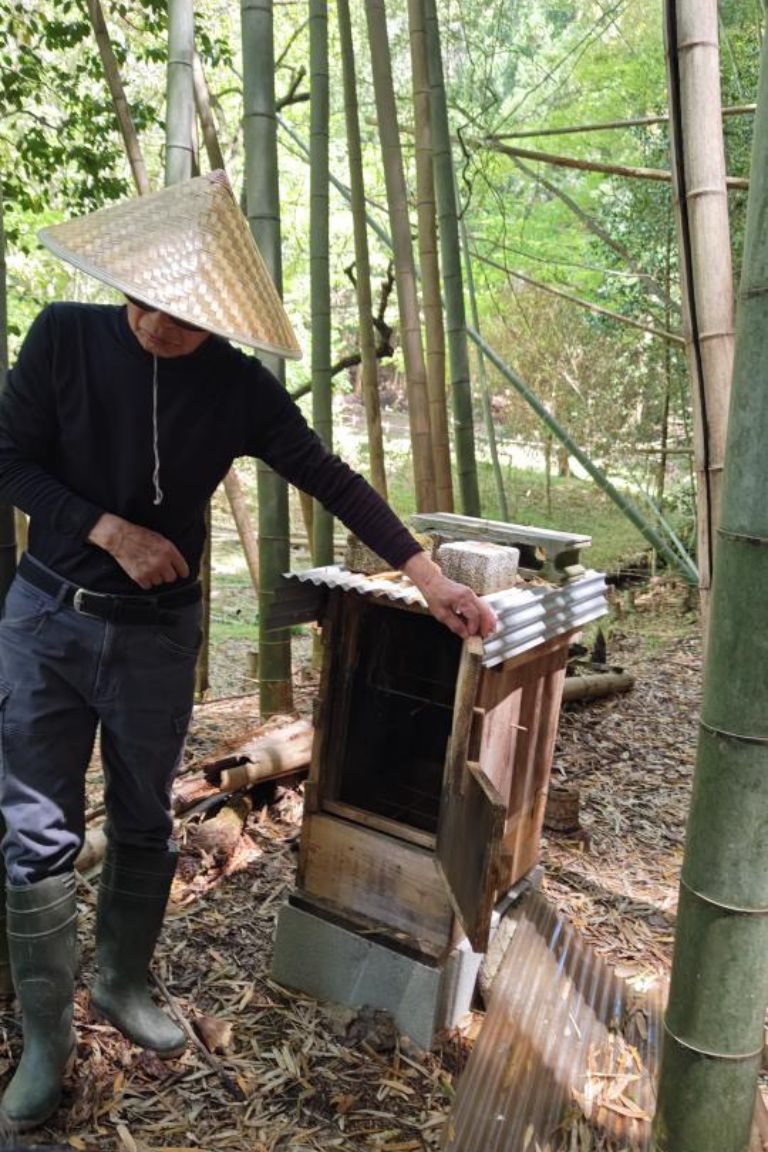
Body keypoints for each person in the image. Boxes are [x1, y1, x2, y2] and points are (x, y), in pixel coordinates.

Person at [0, 170, 496, 1130]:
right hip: (47, 622)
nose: (158, 327)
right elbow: (8, 459)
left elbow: (328, 476)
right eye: (145, 303)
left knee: (144, 815)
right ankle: (46, 1041)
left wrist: (427, 575)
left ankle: (122, 982)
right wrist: (108, 530)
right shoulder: (62, 337)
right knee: (34, 833)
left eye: (185, 319)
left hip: (155, 638)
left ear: (221, 322)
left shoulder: (235, 387)